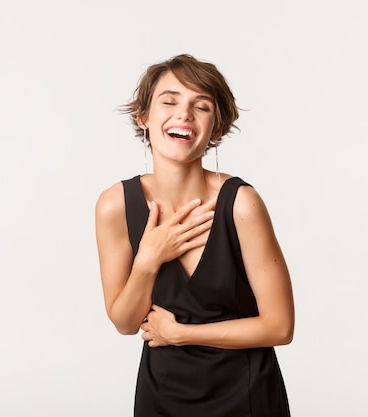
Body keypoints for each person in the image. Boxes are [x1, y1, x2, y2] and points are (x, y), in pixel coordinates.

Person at [95, 54, 295, 417]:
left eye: (200, 106)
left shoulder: (241, 205)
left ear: (216, 129)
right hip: (162, 398)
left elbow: (280, 327)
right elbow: (125, 322)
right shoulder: (115, 206)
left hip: (246, 397)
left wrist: (181, 334)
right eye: (169, 101)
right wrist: (148, 259)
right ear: (143, 118)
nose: (184, 115)